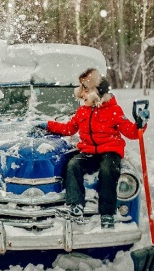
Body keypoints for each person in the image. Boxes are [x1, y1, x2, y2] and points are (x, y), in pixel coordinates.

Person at [35, 68, 149, 229]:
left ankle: (107, 212)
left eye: (85, 90)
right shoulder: (83, 111)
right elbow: (69, 128)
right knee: (73, 165)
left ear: (97, 92)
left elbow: (131, 132)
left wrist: (140, 124)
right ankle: (75, 205)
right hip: (89, 152)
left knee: (108, 170)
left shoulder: (113, 111)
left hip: (110, 152)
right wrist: (48, 125)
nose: (82, 94)